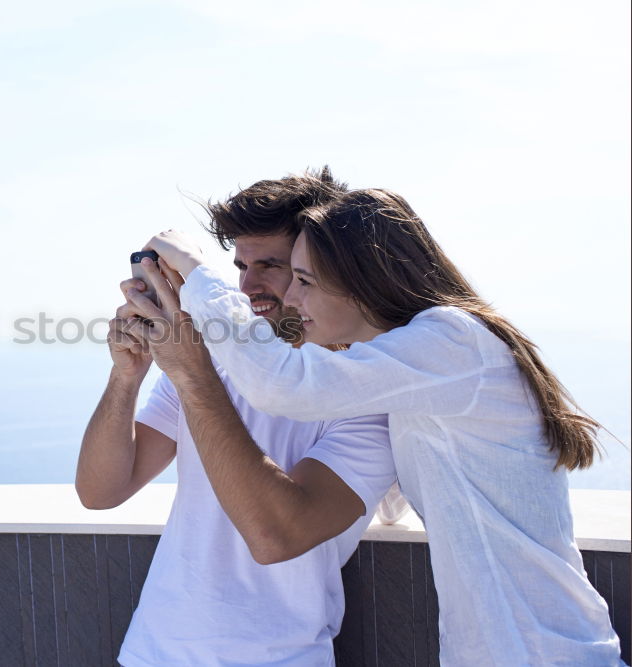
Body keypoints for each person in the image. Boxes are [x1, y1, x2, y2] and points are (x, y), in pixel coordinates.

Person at [126, 187, 624, 665]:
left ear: (363, 279)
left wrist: (196, 273)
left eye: (306, 280)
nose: (293, 300)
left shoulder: (453, 339)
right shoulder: (416, 368)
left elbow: (282, 385)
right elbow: (399, 494)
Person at [76, 170, 401, 665]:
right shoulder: (213, 362)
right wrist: (127, 377)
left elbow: (275, 535)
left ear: (325, 266)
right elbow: (101, 492)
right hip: (151, 652)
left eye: (271, 265)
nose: (249, 287)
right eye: (241, 266)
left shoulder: (364, 393)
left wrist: (191, 373)